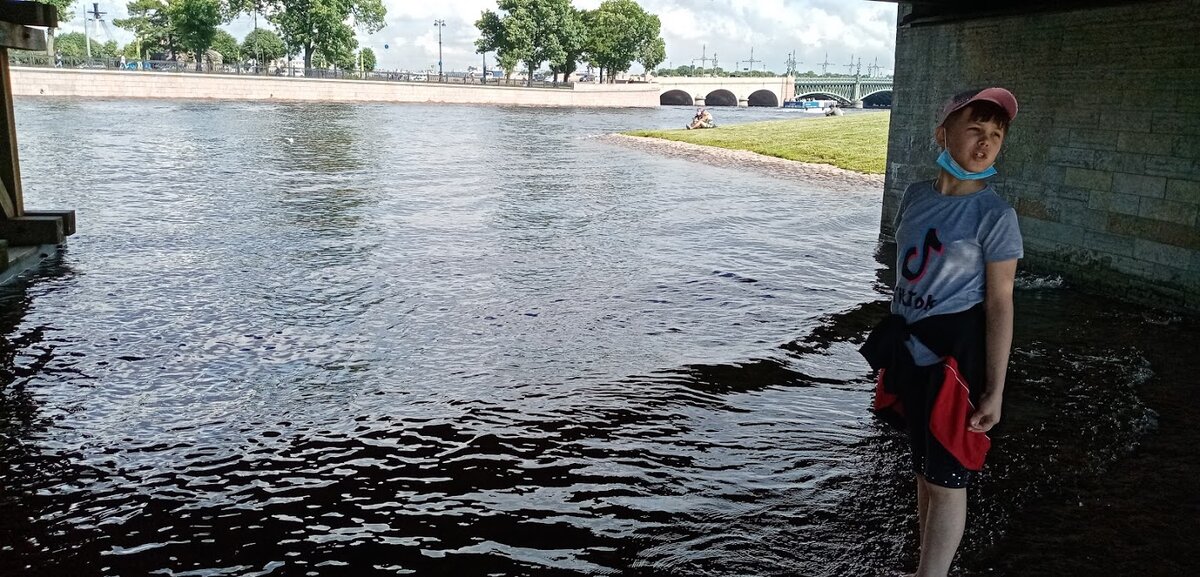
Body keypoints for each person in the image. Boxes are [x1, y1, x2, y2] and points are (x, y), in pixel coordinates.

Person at [858, 87, 1022, 577]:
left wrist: (995, 389)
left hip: (955, 364)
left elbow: (999, 303)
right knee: (924, 473)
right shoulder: (915, 196)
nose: (986, 143)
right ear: (943, 133)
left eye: (996, 135)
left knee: (949, 479)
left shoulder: (995, 216)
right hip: (909, 354)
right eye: (975, 129)